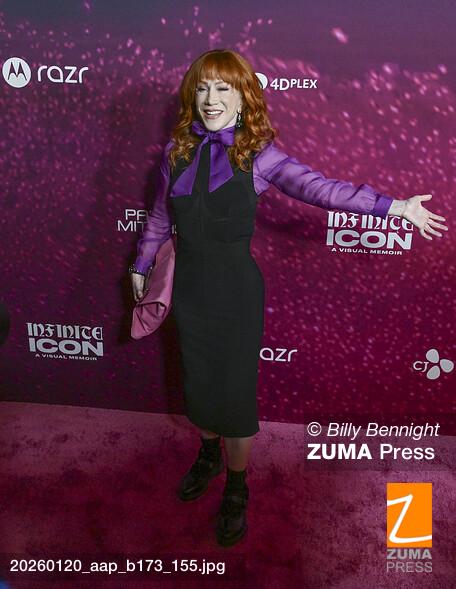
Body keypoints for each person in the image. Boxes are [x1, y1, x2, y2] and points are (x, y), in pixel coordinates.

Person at [129, 49, 448, 547]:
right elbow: (157, 217)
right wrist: (141, 264)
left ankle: (237, 487)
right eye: (203, 88)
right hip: (188, 290)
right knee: (198, 384)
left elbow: (323, 190)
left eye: (223, 88)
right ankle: (208, 455)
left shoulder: (259, 154)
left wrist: (394, 207)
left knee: (234, 396)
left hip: (236, 294)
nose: (211, 99)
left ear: (242, 97)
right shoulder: (177, 152)